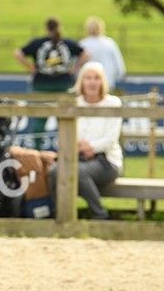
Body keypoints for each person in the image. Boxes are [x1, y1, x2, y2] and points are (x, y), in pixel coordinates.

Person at [47, 62, 123, 220]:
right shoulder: (75, 104)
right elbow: (66, 136)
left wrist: (91, 147)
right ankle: (57, 214)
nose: (92, 82)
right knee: (55, 171)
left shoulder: (113, 103)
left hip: (106, 161)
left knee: (77, 171)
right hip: (78, 157)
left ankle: (100, 214)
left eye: (97, 78)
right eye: (88, 78)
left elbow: (110, 139)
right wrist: (79, 147)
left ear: (103, 82)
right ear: (81, 81)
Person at [14, 17, 87, 93]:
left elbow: (18, 53)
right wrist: (75, 67)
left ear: (46, 28)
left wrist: (29, 67)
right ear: (60, 27)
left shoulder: (37, 43)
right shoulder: (67, 43)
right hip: (63, 84)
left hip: (41, 84)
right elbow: (85, 54)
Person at [79, 16, 126, 89]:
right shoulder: (110, 43)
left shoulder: (83, 44)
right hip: (107, 82)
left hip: (89, 85)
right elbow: (119, 66)